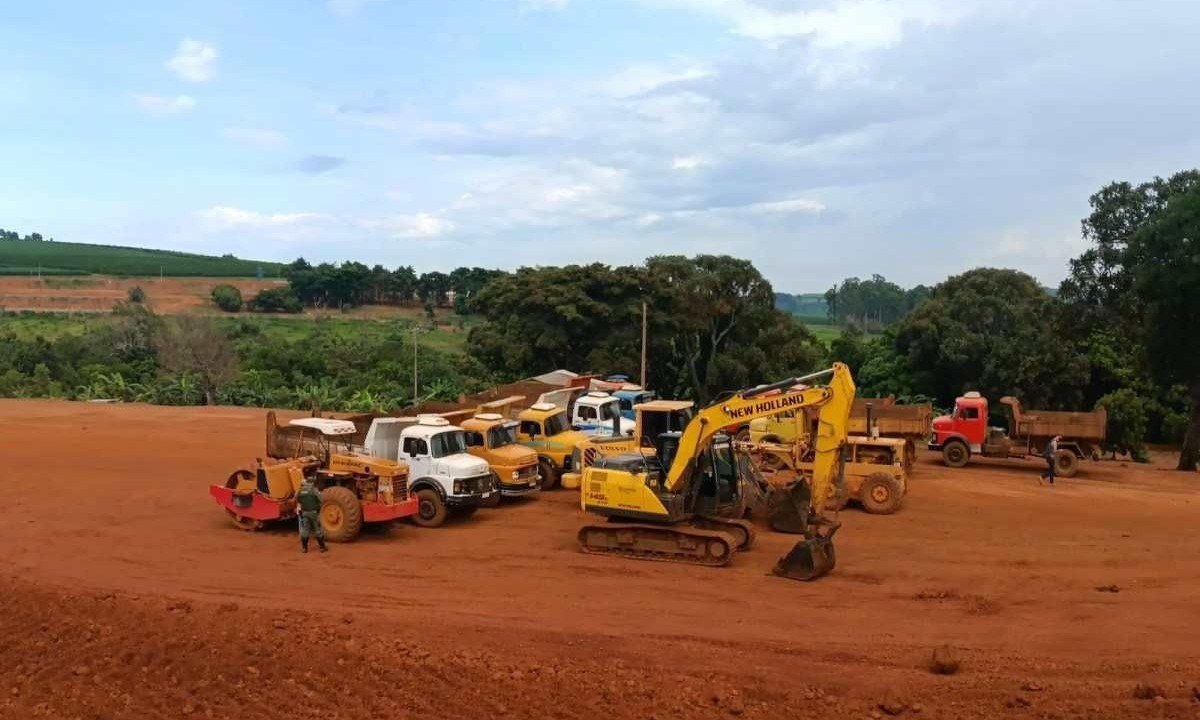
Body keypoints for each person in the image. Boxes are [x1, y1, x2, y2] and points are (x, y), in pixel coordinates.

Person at [295, 478, 327, 553]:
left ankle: (304, 548)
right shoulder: (314, 490)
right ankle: (322, 547)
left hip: (305, 512)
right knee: (317, 529)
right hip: (314, 513)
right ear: (312, 483)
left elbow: (297, 498)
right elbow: (321, 500)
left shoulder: (300, 490)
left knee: (305, 530)